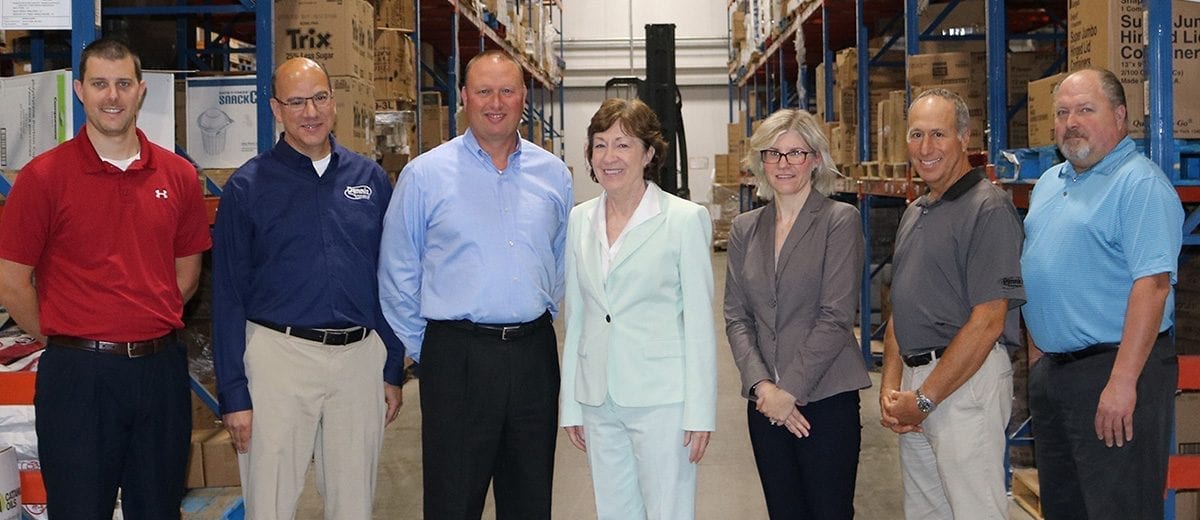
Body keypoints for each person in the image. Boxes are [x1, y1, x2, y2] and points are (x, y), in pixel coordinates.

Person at [0, 38, 211, 518]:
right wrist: (66, 335)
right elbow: (11, 282)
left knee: (157, 508)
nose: (111, 96)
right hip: (78, 376)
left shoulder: (178, 175)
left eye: (122, 84)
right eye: (99, 84)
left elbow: (187, 273)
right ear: (79, 91)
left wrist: (139, 320)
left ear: (141, 91)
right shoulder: (42, 178)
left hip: (158, 372)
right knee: (79, 509)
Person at [378, 49, 573, 520]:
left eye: (507, 90)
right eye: (483, 91)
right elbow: (397, 269)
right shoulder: (425, 175)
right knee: (452, 500)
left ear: (523, 97)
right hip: (457, 356)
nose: (495, 102)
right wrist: (432, 349)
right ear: (463, 97)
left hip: (533, 355)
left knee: (529, 499)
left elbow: (563, 260)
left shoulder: (554, 175)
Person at [210, 57, 405, 519]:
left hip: (359, 359)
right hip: (279, 358)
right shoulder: (246, 188)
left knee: (354, 501)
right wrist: (234, 394)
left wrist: (391, 363)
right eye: (296, 102)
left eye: (319, 98)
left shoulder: (370, 180)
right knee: (271, 501)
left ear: (333, 103)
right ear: (276, 110)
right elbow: (228, 296)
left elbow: (390, 278)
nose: (310, 112)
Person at [1022, 68, 1183, 519]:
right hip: (1056, 376)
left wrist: (1122, 382)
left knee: (1118, 509)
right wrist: (1040, 357)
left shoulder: (1140, 184)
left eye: (1085, 110)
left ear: (1120, 116)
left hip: (1113, 373)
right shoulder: (1051, 183)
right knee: (1066, 507)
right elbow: (1037, 268)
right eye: (1063, 112)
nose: (1071, 122)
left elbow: (1152, 287)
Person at [559, 98, 717, 520]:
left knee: (668, 511)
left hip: (663, 399)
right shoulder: (579, 219)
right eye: (599, 144)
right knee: (614, 511)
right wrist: (572, 402)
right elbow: (578, 317)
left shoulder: (683, 220)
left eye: (623, 145)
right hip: (598, 396)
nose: (610, 157)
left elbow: (701, 323)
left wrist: (700, 412)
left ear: (648, 154)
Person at [878, 88, 1025, 520]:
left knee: (975, 510)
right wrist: (894, 389)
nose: (926, 148)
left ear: (964, 137)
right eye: (917, 134)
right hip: (918, 384)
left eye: (938, 134)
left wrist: (925, 398)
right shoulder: (917, 210)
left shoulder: (989, 208)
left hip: (965, 386)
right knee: (926, 513)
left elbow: (988, 322)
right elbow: (899, 311)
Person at [723, 108, 870, 519]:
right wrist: (763, 388)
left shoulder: (839, 221)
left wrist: (791, 392)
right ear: (760, 161)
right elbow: (736, 316)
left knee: (828, 511)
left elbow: (836, 315)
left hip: (824, 399)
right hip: (766, 404)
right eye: (773, 153)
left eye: (796, 153)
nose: (783, 164)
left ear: (816, 159)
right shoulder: (745, 228)